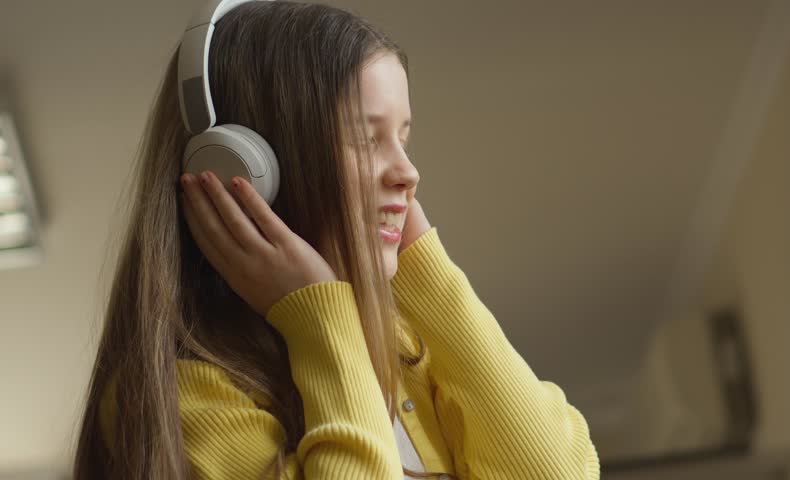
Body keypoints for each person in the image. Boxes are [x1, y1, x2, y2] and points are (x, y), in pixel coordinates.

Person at [71, 1, 600, 479]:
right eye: (365, 140)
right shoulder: (183, 399)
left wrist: (429, 277)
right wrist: (317, 315)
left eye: (403, 138)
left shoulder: (408, 342)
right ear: (247, 167)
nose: (408, 172)